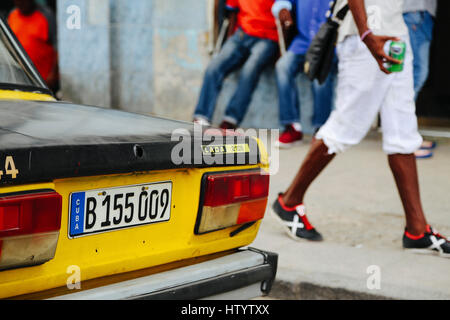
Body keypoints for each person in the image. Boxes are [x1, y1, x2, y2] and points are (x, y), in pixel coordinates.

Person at [271, 0, 449, 257]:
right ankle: (289, 201)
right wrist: (367, 35)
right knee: (344, 128)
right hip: (365, 37)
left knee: (403, 132)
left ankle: (417, 230)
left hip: (396, 36)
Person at [193, 0, 279, 129]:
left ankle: (231, 119)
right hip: (241, 34)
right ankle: (201, 117)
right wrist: (229, 40)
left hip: (268, 37)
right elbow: (232, 12)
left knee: (249, 70)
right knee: (214, 67)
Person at [272, 0, 338, 148]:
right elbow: (283, 2)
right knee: (283, 67)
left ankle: (320, 129)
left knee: (320, 77)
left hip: (328, 44)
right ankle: (292, 127)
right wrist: (282, 8)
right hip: (302, 41)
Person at [403, 0, 438, 159]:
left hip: (420, 13)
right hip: (414, 12)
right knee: (413, 78)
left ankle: (408, 136)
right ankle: (405, 140)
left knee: (414, 77)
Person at [8, 0, 59, 92]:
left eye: (24, 1)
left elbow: (57, 46)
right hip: (21, 80)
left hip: (43, 81)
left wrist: (53, 74)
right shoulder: (12, 15)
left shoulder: (46, 15)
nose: (21, 3)